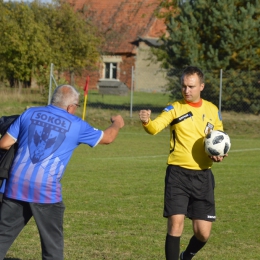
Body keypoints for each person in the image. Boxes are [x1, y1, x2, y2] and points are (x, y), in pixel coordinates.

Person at [0, 84, 124, 260]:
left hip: (15, 185)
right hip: (45, 191)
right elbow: (108, 138)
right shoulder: (76, 124)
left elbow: (4, 143)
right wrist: (117, 123)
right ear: (70, 106)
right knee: (52, 247)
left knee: (2, 237)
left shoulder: (29, 113)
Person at [139, 66, 228, 260]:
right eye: (183, 86)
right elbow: (155, 128)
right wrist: (147, 121)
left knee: (203, 233)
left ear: (201, 86)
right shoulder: (175, 108)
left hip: (203, 176)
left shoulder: (212, 110)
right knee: (176, 223)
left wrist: (219, 154)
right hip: (178, 175)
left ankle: (186, 256)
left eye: (191, 86)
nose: (186, 90)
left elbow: (219, 138)